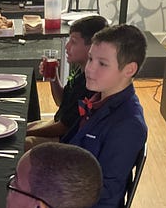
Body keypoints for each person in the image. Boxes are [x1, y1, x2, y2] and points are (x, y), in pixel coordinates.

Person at [61, 24, 148, 208]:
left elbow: (103, 195)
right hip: (66, 194)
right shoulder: (99, 99)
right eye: (91, 59)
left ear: (129, 69)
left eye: (102, 64)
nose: (89, 69)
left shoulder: (128, 125)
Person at [26, 15, 108, 148]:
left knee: (20, 143)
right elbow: (61, 102)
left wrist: (26, 132)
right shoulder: (80, 69)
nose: (67, 46)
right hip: (58, 124)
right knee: (20, 126)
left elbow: (64, 128)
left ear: (92, 46)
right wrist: (53, 77)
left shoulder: (92, 84)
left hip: (69, 140)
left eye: (73, 42)